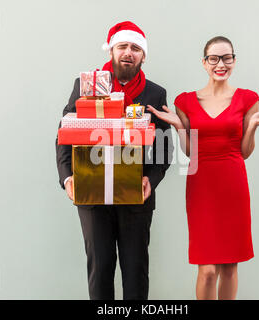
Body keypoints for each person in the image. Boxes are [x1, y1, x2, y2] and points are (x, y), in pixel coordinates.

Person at [147, 36, 259, 300]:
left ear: (234, 61)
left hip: (233, 184)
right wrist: (178, 126)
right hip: (201, 186)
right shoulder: (184, 102)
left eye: (227, 58)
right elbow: (189, 154)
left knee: (229, 266)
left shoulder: (248, 99)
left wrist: (251, 126)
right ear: (204, 63)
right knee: (207, 270)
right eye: (214, 59)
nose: (221, 64)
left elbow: (244, 152)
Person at [55, 21, 173, 300]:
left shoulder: (155, 93)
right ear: (111, 50)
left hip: (136, 194)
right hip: (92, 193)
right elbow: (63, 135)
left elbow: (164, 146)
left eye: (135, 48)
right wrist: (67, 177)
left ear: (143, 55)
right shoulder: (86, 86)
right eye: (122, 46)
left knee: (135, 269)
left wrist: (151, 180)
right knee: (101, 267)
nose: (128, 53)